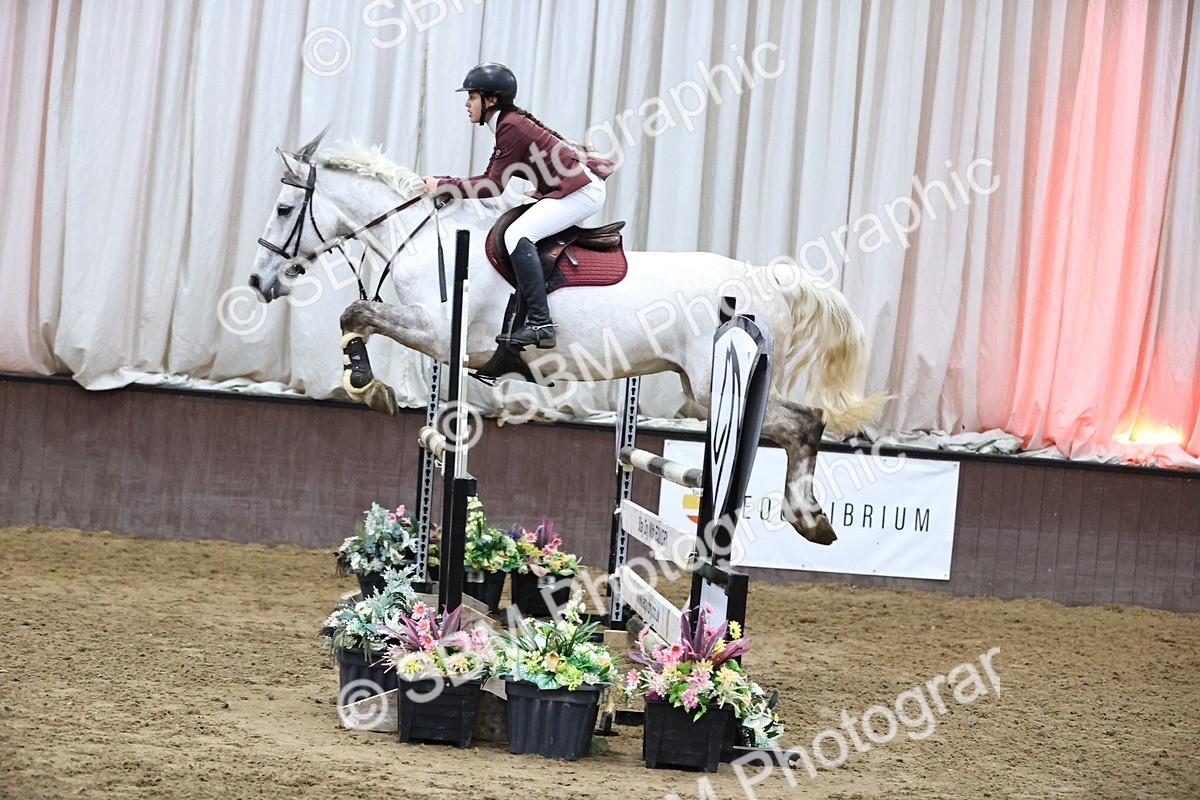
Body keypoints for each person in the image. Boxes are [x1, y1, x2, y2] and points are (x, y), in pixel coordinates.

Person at [422, 63, 614, 350]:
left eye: (472, 96)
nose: (466, 103)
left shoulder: (510, 126)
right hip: (576, 188)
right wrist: (449, 184)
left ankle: (540, 323)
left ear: (492, 100)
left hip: (582, 192)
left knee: (517, 235)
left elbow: (493, 185)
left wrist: (444, 185)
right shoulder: (506, 123)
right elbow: (491, 178)